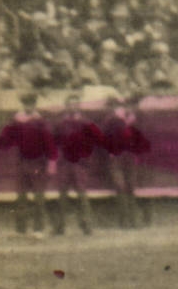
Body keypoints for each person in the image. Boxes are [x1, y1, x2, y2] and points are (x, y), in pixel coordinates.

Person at [0, 91, 56, 239]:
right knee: (21, 196)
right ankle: (20, 229)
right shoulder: (17, 121)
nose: (28, 106)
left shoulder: (41, 122)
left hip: (38, 163)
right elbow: (7, 139)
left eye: (31, 103)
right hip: (22, 161)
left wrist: (51, 163)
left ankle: (38, 229)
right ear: (23, 104)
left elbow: (49, 144)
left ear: (34, 105)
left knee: (38, 197)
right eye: (26, 103)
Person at [52, 98, 104, 236]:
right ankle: (59, 227)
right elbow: (54, 142)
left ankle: (86, 226)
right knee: (62, 194)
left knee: (82, 194)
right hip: (65, 163)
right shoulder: (60, 123)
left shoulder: (86, 123)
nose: (72, 107)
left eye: (75, 105)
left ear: (79, 106)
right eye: (70, 105)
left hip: (79, 163)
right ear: (66, 106)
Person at [101, 98, 153, 228]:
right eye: (117, 107)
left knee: (129, 188)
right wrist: (126, 121)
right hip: (118, 157)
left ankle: (131, 221)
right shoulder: (112, 121)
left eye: (120, 107)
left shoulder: (123, 120)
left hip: (127, 156)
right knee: (123, 188)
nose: (119, 109)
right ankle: (126, 221)